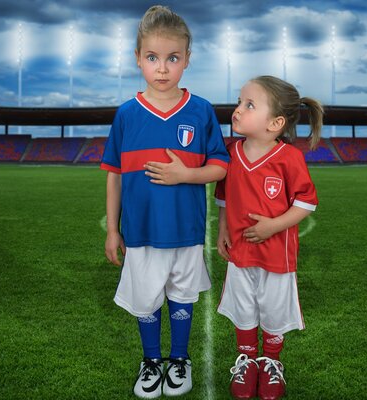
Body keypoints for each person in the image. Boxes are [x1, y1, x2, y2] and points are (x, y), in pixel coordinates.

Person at [100, 5, 229, 399]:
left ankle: (179, 359)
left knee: (182, 294)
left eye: (172, 58)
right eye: (152, 57)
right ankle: (151, 360)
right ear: (138, 58)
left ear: (187, 59)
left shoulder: (201, 110)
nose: (162, 68)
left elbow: (221, 167)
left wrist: (187, 174)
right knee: (146, 296)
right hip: (140, 231)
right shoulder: (126, 115)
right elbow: (115, 175)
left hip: (186, 230)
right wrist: (112, 228)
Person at [215, 75, 323, 400]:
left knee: (274, 309)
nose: (237, 110)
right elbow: (223, 195)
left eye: (249, 105)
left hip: (277, 255)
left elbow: (306, 203)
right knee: (244, 306)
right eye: (239, 102)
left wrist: (272, 226)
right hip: (240, 251)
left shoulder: (289, 158)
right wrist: (222, 229)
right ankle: (247, 360)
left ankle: (271, 362)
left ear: (275, 123)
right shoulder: (231, 153)